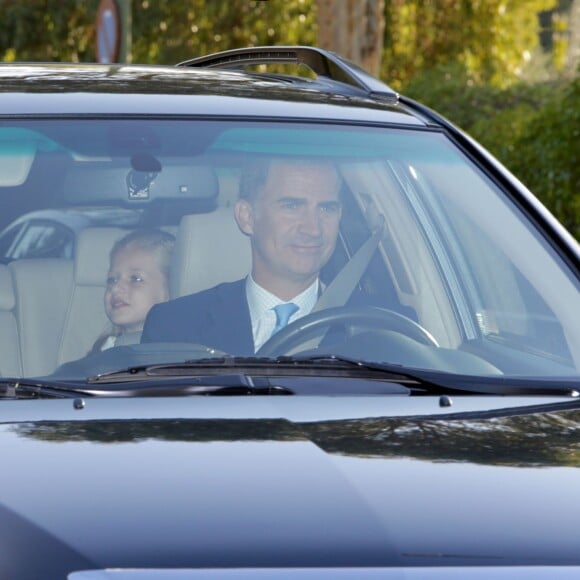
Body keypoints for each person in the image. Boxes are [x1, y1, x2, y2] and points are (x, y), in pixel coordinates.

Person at [141, 157, 342, 355]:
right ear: (247, 216)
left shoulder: (367, 326)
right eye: (291, 206)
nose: (313, 229)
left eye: (326, 208)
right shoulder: (175, 326)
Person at [90, 228, 175, 353]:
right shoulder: (103, 349)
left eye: (135, 279)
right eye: (112, 280)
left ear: (171, 288)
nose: (115, 288)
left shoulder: (175, 352)